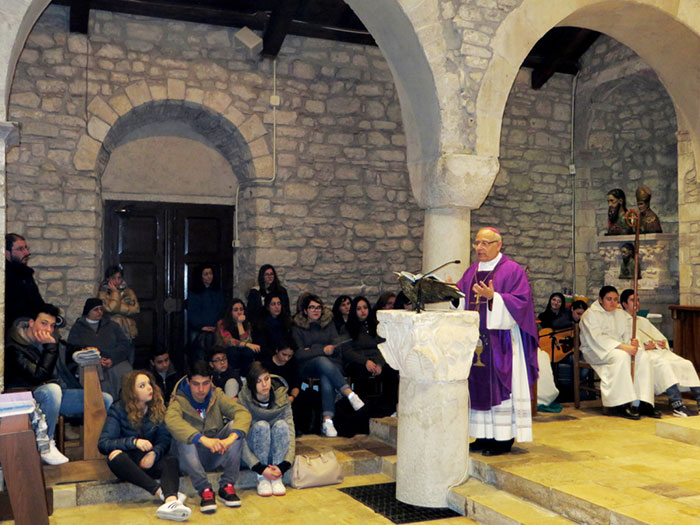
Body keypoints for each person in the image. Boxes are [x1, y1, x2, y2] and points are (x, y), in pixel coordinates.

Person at [456, 227, 539, 456]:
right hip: (477, 343)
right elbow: (463, 300)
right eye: (477, 243)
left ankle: (503, 439)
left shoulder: (512, 270)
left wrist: (495, 298)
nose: (479, 248)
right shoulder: (472, 271)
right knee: (478, 386)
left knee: (500, 387)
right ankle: (482, 435)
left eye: (485, 243)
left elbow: (522, 302)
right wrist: (452, 294)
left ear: (498, 245)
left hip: (502, 342)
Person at [4, 303, 113, 464]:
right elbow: (38, 376)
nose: (48, 329)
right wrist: (50, 348)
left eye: (52, 325)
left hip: (55, 397)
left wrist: (82, 351)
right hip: (28, 397)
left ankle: (103, 446)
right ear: (31, 323)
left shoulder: (51, 341)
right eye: (44, 323)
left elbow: (66, 349)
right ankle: (45, 445)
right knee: (52, 390)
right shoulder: (15, 347)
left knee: (104, 399)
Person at [98, 371, 191, 522]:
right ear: (132, 391)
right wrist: (133, 442)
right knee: (114, 455)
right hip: (129, 464)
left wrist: (154, 453)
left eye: (149, 384)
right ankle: (163, 494)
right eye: (142, 386)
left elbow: (164, 440)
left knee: (171, 460)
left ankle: (171, 502)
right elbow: (104, 443)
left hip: (150, 460)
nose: (149, 388)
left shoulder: (158, 407)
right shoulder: (118, 409)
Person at [165, 360, 251, 514]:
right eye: (196, 384)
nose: (201, 389)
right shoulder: (178, 400)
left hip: (215, 453)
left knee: (234, 427)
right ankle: (205, 489)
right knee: (185, 437)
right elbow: (171, 421)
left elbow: (242, 413)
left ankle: (227, 486)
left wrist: (230, 439)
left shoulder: (217, 395)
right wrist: (202, 439)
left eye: (205, 383)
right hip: (189, 459)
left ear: (211, 381)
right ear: (188, 381)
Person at [292, 294, 365, 437]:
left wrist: (312, 349)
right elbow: (299, 353)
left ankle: (328, 421)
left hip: (331, 365)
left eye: (318, 307)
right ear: (305, 311)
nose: (316, 310)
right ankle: (349, 394)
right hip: (308, 366)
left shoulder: (328, 323)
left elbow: (337, 346)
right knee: (321, 360)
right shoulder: (298, 327)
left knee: (326, 375)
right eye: (312, 307)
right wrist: (322, 350)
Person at [579, 285, 656, 419]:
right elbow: (597, 338)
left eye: (615, 299)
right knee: (621, 357)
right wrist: (622, 346)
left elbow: (628, 333)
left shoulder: (619, 313)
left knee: (642, 356)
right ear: (600, 299)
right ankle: (620, 404)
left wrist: (634, 342)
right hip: (596, 350)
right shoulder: (590, 314)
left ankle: (643, 402)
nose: (613, 303)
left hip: (620, 348)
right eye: (609, 299)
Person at [620, 289, 699, 417]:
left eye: (638, 300)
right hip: (643, 356)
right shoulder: (622, 321)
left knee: (685, 363)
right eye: (633, 300)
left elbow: (659, 337)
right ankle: (677, 404)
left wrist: (661, 343)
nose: (637, 303)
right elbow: (626, 342)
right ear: (624, 304)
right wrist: (644, 347)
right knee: (663, 365)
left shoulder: (642, 320)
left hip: (657, 352)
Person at [237, 362, 295, 497]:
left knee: (282, 425)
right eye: (259, 381)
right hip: (254, 453)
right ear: (251, 384)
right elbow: (240, 437)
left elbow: (290, 431)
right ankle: (262, 478)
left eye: (267, 379)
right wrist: (259, 468)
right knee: (261, 425)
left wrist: (284, 465)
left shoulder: (281, 395)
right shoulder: (244, 399)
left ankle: (276, 477)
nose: (264, 385)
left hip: (277, 453)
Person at [67, 298, 134, 400]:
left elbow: (124, 345)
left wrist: (112, 359)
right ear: (88, 312)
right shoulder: (78, 328)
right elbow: (72, 349)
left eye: (101, 309)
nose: (99, 312)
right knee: (95, 376)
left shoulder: (113, 326)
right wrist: (94, 358)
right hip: (90, 362)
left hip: (113, 360)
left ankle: (123, 404)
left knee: (125, 372)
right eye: (95, 309)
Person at [342, 296, 398, 416]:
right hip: (358, 362)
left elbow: (383, 346)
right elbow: (347, 351)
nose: (363, 311)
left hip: (376, 361)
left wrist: (379, 364)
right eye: (359, 309)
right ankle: (364, 412)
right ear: (354, 311)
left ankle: (387, 409)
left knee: (392, 372)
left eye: (365, 308)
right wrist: (365, 362)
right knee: (360, 374)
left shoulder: (376, 326)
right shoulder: (347, 328)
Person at [5, 233, 46, 329]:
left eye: (26, 248)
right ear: (6, 252)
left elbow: (37, 303)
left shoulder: (25, 274)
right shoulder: (4, 277)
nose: (27, 253)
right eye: (20, 249)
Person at [186, 264, 226, 355]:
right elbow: (192, 313)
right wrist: (202, 326)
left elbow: (221, 309)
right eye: (206, 274)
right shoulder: (194, 293)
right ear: (201, 276)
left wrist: (216, 324)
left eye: (210, 273)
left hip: (216, 327)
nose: (209, 276)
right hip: (199, 328)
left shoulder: (218, 292)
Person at [216, 299, 260, 377]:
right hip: (226, 350)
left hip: (242, 352)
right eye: (235, 310)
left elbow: (248, 341)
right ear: (230, 312)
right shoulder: (222, 323)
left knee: (248, 352)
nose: (239, 312)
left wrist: (239, 324)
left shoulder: (247, 324)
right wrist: (247, 344)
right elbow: (228, 341)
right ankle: (232, 376)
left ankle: (244, 377)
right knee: (233, 351)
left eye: (241, 309)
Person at [98, 265, 140, 340]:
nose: (117, 281)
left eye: (119, 278)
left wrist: (117, 307)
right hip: (110, 332)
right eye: (113, 278)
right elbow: (110, 309)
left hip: (128, 331)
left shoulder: (128, 292)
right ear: (108, 279)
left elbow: (135, 309)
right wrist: (115, 293)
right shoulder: (103, 292)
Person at [254, 294, 293, 359]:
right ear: (267, 307)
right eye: (273, 304)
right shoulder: (261, 324)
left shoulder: (286, 322)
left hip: (285, 355)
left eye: (279, 304)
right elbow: (262, 346)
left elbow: (290, 341)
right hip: (268, 356)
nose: (277, 307)